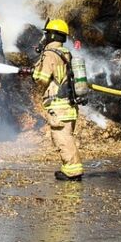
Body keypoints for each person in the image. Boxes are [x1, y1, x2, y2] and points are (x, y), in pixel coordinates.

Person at [27, 19, 84, 181]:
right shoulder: (66, 53)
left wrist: (34, 74)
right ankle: (71, 169)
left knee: (62, 138)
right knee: (67, 136)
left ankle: (72, 172)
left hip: (59, 106)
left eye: (46, 34)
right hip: (69, 105)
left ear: (51, 35)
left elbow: (43, 79)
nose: (44, 37)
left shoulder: (50, 54)